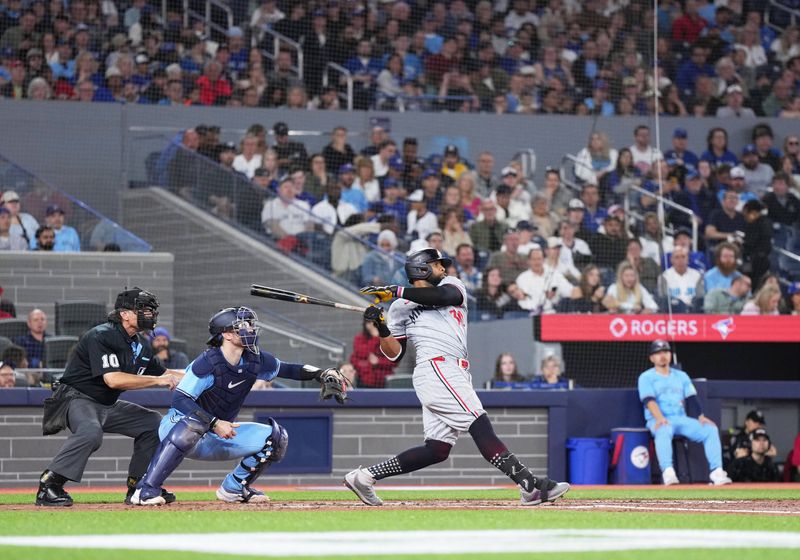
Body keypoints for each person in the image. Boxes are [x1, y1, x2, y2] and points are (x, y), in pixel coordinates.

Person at [348, 249, 569, 507]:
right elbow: (394, 354)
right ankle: (528, 484)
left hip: (455, 370)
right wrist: (382, 326)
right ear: (421, 268)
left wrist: (396, 291)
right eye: (438, 264)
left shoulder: (451, 285)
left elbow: (443, 296)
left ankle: (364, 477)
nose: (443, 268)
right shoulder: (399, 308)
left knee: (437, 450)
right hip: (436, 368)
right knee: (478, 421)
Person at [130, 306, 347, 505]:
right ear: (226, 334)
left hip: (217, 434)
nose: (250, 329)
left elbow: (289, 369)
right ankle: (146, 489)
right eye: (242, 326)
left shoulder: (255, 359)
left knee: (277, 437)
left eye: (251, 324)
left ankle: (234, 488)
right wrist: (215, 424)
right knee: (192, 425)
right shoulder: (207, 363)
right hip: (179, 427)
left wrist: (322, 373)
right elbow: (180, 400)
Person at [36, 288, 184, 507]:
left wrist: (207, 374)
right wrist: (158, 381)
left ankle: (139, 486)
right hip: (76, 398)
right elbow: (113, 380)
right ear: (124, 314)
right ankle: (49, 485)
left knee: (153, 423)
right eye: (143, 309)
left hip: (107, 404)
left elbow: (167, 374)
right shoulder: (102, 335)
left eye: (151, 310)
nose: (150, 314)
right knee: (90, 431)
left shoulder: (140, 344)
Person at [638, 339, 731, 486]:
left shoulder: (681, 376)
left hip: (680, 419)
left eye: (665, 352)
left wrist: (701, 416)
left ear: (670, 354)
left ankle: (717, 472)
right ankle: (668, 472)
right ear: (652, 358)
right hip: (657, 420)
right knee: (664, 429)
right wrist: (660, 418)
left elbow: (692, 398)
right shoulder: (646, 377)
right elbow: (649, 400)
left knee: (710, 429)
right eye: (658, 353)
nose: (662, 356)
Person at [515, 245, 574, 315]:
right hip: (532, 315)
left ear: (543, 260)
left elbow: (569, 290)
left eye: (539, 259)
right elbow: (524, 301)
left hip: (555, 313)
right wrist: (545, 296)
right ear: (528, 261)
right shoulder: (522, 278)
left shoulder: (554, 273)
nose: (537, 262)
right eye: (534, 259)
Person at [350, 318, 398, 389]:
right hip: (364, 379)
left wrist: (379, 361)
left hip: (383, 380)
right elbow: (359, 355)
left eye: (375, 323)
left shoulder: (388, 339)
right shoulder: (360, 338)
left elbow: (394, 361)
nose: (372, 325)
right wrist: (375, 337)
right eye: (369, 322)